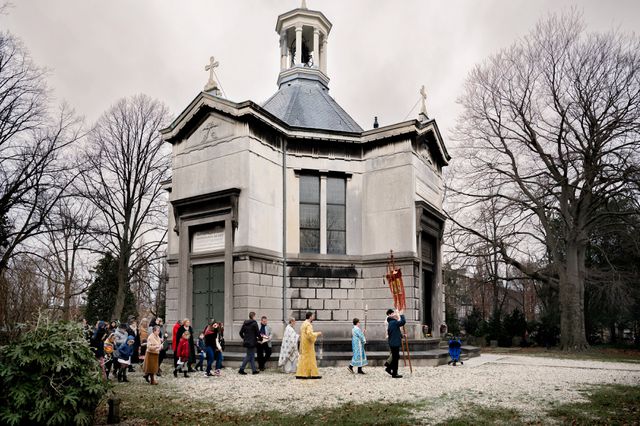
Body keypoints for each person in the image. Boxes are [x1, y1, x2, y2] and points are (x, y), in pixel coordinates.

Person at [296, 312, 322, 379]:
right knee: (311, 359)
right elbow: (310, 335)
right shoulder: (308, 325)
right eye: (313, 316)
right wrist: (317, 334)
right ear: (310, 317)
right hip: (308, 345)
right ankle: (314, 374)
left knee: (303, 359)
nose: (313, 317)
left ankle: (301, 373)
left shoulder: (303, 324)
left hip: (303, 344)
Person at [386, 308, 406, 378]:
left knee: (396, 357)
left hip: (393, 342)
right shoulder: (393, 322)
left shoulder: (392, 322)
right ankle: (394, 373)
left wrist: (402, 335)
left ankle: (388, 367)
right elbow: (403, 322)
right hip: (394, 343)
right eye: (393, 314)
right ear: (390, 315)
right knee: (395, 359)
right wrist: (401, 314)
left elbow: (395, 332)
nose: (394, 314)